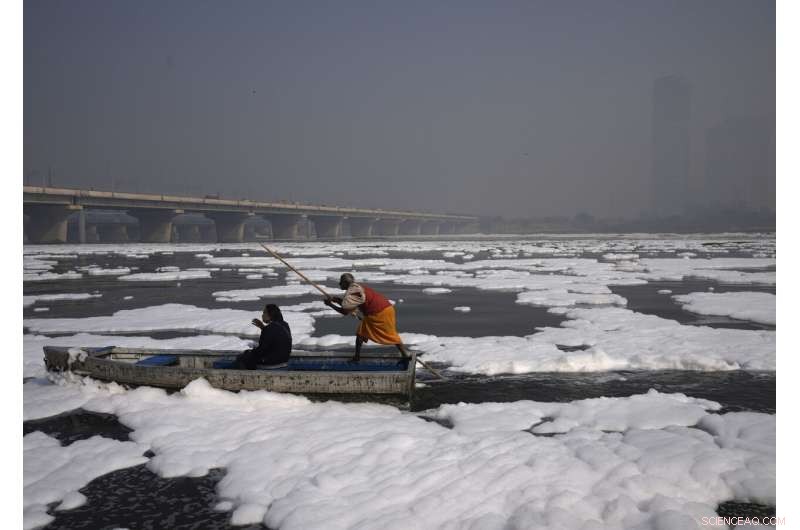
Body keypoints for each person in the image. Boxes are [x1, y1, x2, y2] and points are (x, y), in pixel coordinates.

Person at [323, 273, 411, 363]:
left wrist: (330, 304)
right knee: (361, 333)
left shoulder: (352, 293)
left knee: (390, 334)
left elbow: (345, 311)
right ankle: (357, 357)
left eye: (341, 282)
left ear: (345, 283)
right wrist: (336, 299)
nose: (339, 284)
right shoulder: (356, 288)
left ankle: (405, 355)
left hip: (380, 313)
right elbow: (349, 305)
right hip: (384, 309)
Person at [234, 303, 292, 369]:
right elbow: (275, 335)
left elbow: (261, 350)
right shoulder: (285, 324)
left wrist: (249, 353)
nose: (262, 315)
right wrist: (263, 327)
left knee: (241, 358)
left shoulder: (269, 329)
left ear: (270, 315)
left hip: (273, 362)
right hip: (284, 360)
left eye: (264, 313)